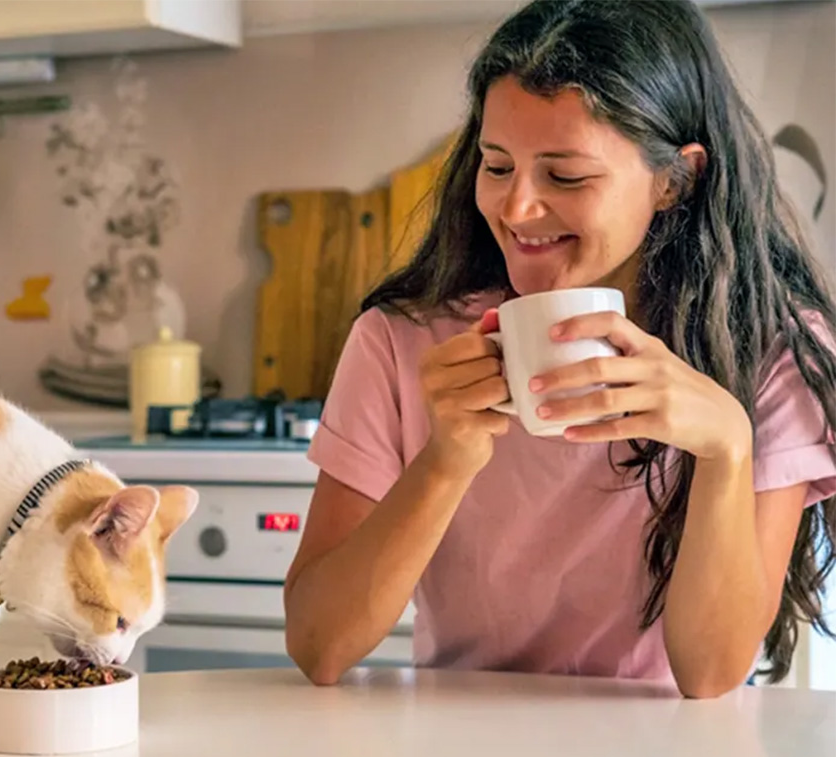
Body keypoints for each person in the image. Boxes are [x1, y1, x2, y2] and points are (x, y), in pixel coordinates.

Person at [283, 0, 836, 699]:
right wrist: (446, 459)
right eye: (496, 164)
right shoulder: (401, 339)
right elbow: (318, 647)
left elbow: (712, 673)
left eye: (565, 175)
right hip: (460, 752)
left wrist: (726, 444)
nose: (515, 209)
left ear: (676, 179)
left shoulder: (770, 350)